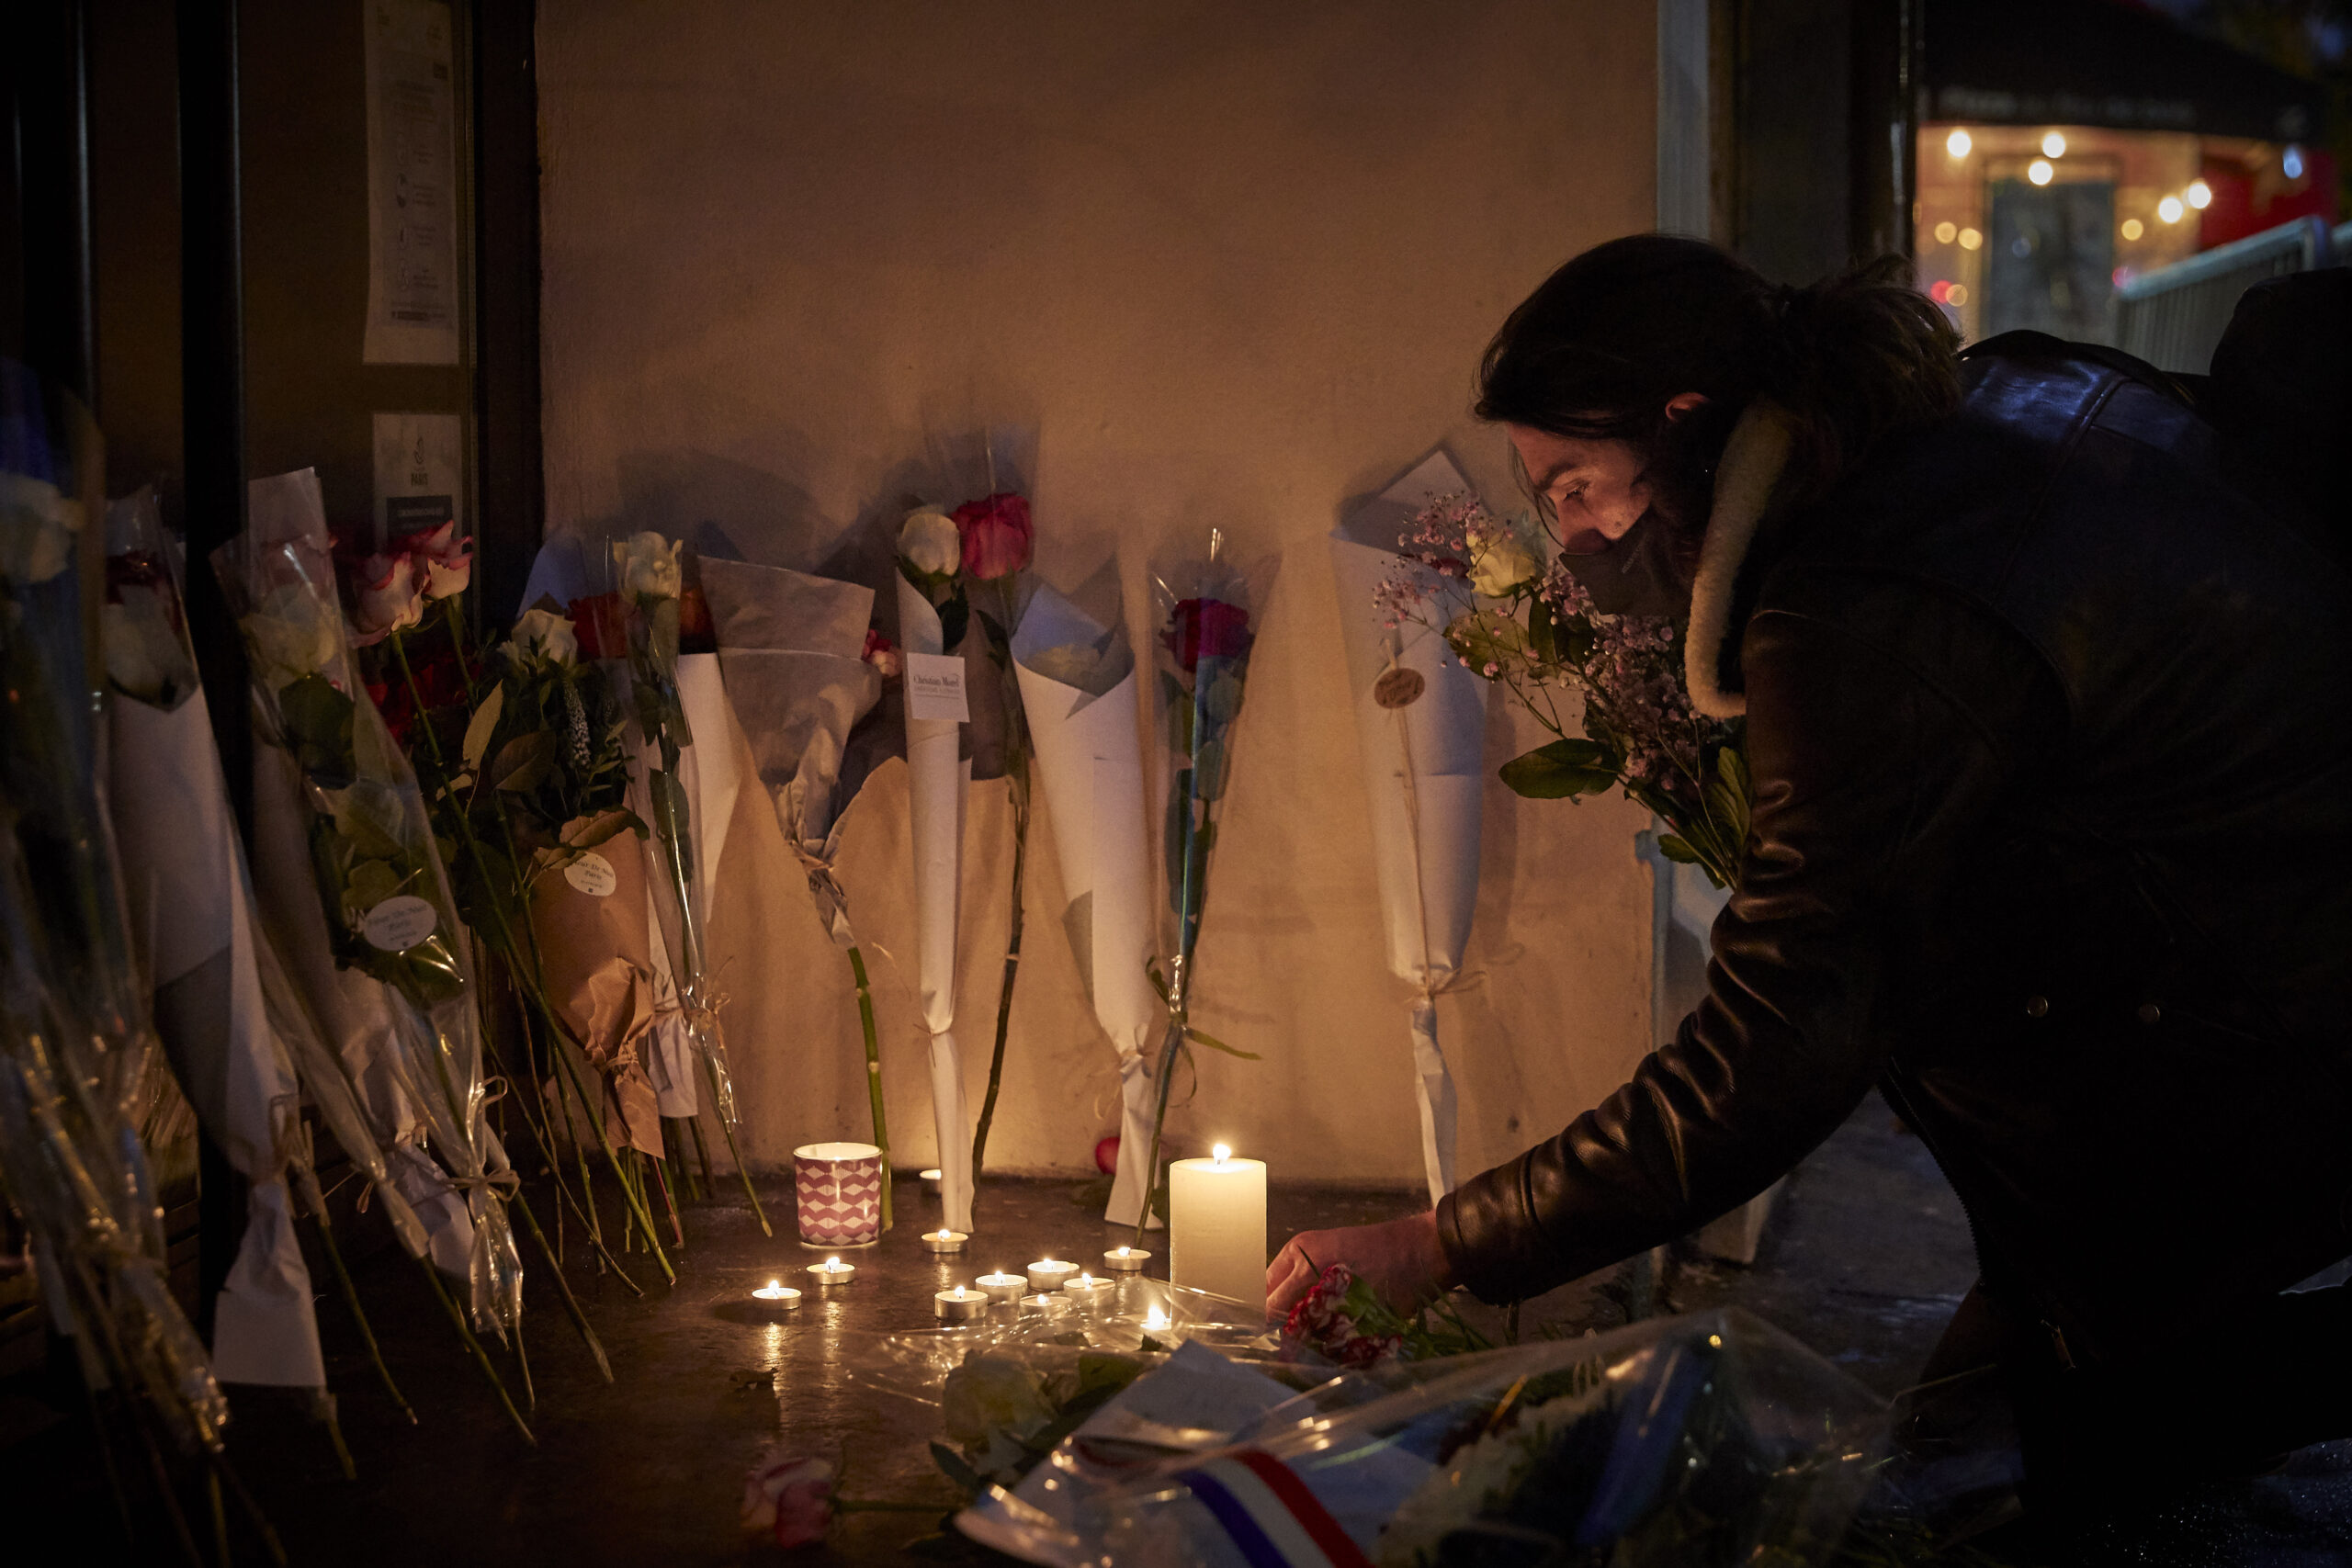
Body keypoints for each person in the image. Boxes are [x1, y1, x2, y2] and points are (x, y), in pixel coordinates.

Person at [1267, 234, 2352, 1500]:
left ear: (1681, 423)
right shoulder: (1962, 416)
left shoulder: (1861, 604)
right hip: (2242, 1005)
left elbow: (1773, 1052)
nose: (1573, 543)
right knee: (1992, 1449)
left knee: (2055, 1465)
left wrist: (1439, 1243)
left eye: (1573, 488)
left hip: (2249, 1056)